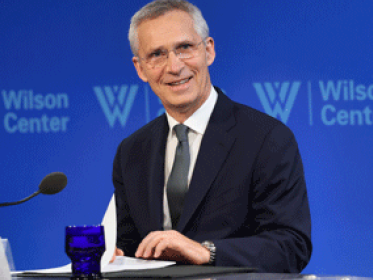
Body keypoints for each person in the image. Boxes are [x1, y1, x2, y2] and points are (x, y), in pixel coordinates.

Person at [112, 0, 312, 273]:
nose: (174, 66)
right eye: (157, 54)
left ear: (208, 50)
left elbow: (291, 246)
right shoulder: (131, 151)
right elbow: (132, 245)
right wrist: (116, 256)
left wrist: (207, 251)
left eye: (184, 48)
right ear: (140, 68)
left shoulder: (267, 138)